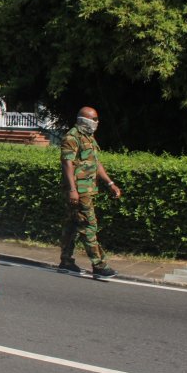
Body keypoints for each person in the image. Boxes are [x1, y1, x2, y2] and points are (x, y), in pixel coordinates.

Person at [58, 106, 121, 279]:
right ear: (84, 120)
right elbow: (67, 164)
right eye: (94, 119)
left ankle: (66, 261)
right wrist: (72, 190)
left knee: (71, 226)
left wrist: (110, 183)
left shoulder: (89, 137)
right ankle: (99, 266)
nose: (96, 122)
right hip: (79, 191)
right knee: (89, 226)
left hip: (87, 189)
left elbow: (96, 163)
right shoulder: (72, 137)